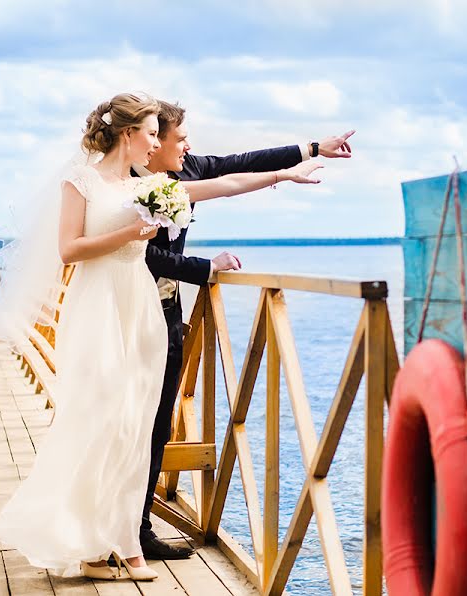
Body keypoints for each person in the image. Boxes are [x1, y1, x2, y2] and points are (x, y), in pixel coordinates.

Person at [0, 92, 324, 581]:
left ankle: (118, 543)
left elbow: (226, 182)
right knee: (102, 418)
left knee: (136, 424)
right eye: (150, 134)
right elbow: (68, 250)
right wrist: (132, 235)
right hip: (98, 305)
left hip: (141, 307)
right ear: (130, 134)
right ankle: (85, 539)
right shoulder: (82, 181)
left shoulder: (152, 186)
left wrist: (284, 174)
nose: (157, 143)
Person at [134, 99, 355, 560]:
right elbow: (146, 256)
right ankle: (117, 525)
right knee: (127, 425)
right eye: (176, 138)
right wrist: (204, 266)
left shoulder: (185, 169)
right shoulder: (127, 184)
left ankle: (138, 528)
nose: (187, 146)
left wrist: (311, 149)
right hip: (127, 314)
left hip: (167, 314)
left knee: (157, 425)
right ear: (149, 143)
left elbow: (239, 166)